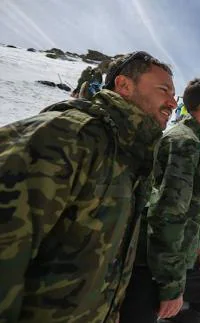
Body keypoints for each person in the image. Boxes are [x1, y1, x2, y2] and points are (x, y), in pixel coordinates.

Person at [0, 51, 177, 323]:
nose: (172, 102)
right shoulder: (68, 136)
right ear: (124, 86)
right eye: (164, 89)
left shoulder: (130, 157)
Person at [120, 78, 200, 323]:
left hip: (165, 255)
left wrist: (196, 247)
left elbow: (187, 210)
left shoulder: (191, 140)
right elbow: (167, 213)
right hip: (150, 265)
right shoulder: (184, 143)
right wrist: (171, 288)